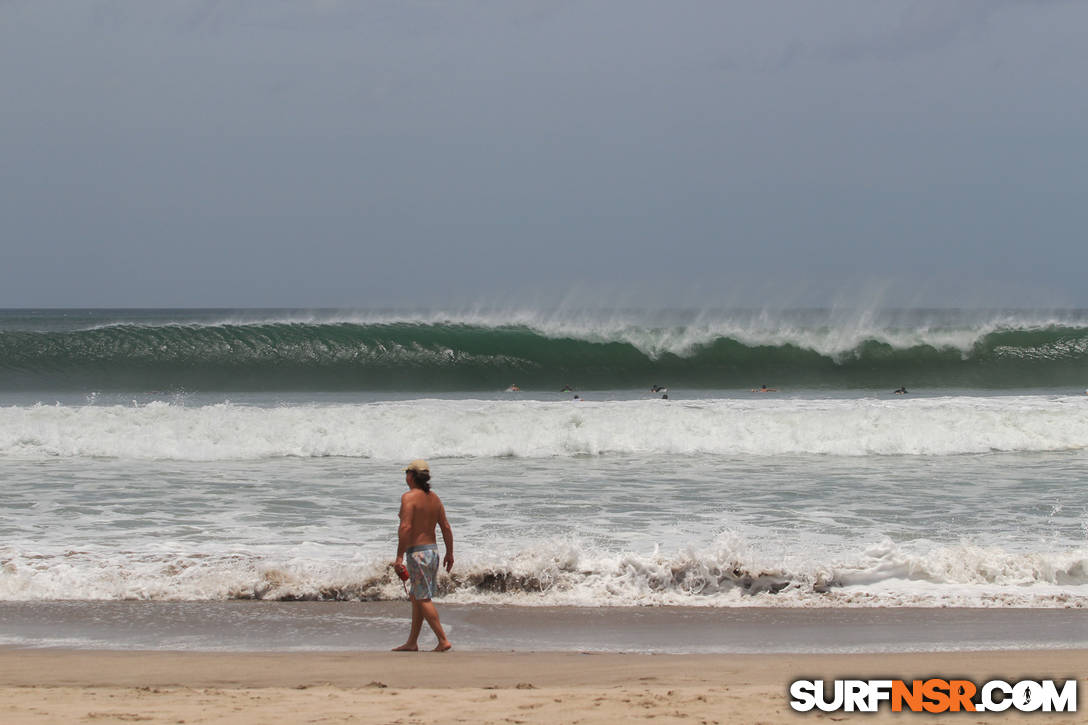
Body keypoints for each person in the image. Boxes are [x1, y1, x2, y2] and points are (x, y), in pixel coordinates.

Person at [392, 459, 454, 652]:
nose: (405, 477)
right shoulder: (434, 498)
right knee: (416, 596)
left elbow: (406, 527)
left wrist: (399, 557)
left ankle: (443, 639)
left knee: (422, 598)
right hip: (432, 552)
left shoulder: (409, 498)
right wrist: (449, 553)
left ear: (412, 476)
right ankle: (412, 642)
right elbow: (445, 527)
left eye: (407, 473)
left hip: (417, 553)